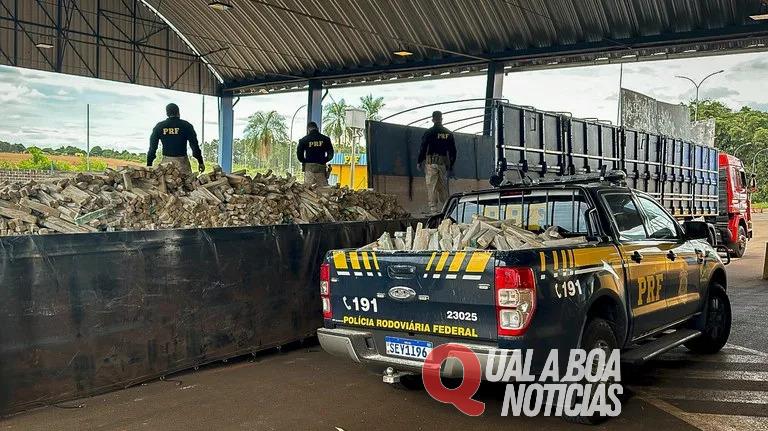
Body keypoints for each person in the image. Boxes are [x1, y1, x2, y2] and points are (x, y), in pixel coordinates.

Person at [417, 111, 457, 213]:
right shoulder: (448, 133)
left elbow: (423, 147)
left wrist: (419, 161)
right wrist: (451, 165)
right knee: (443, 187)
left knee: (432, 186)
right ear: (441, 119)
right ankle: (446, 209)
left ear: (433, 119)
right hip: (442, 164)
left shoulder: (429, 132)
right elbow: (453, 151)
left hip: (431, 163)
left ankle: (433, 209)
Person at [147, 103, 204, 174]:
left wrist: (149, 165)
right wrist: (200, 162)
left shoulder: (159, 126)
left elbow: (152, 148)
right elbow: (194, 146)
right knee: (186, 184)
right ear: (178, 112)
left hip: (166, 165)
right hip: (182, 164)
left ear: (167, 113)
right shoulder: (186, 125)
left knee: (166, 184)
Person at [297, 122, 334, 186]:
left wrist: (305, 161)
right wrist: (324, 160)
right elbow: (331, 154)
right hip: (321, 167)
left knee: (308, 189)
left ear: (308, 129)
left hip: (309, 167)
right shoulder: (326, 139)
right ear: (318, 128)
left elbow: (299, 155)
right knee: (322, 188)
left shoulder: (303, 140)